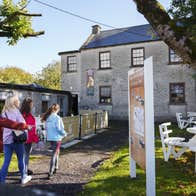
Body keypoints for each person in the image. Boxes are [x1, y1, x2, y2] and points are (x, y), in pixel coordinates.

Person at [0, 92, 32, 184]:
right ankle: (23, 177)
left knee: (6, 162)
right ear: (14, 101)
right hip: (17, 139)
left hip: (7, 141)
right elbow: (23, 124)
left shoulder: (3, 113)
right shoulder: (16, 111)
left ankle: (2, 180)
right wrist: (27, 127)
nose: (18, 101)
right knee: (21, 159)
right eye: (17, 100)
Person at [41, 104, 67, 179]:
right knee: (54, 154)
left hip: (50, 138)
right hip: (57, 138)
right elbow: (59, 129)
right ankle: (50, 172)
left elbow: (46, 128)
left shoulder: (47, 117)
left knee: (57, 151)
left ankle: (56, 167)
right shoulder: (57, 118)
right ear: (57, 109)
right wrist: (64, 133)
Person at [20, 97, 39, 175]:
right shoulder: (31, 117)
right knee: (26, 155)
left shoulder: (19, 115)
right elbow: (32, 131)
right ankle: (24, 172)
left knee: (21, 156)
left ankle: (23, 170)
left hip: (19, 139)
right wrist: (37, 140)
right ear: (30, 106)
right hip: (27, 140)